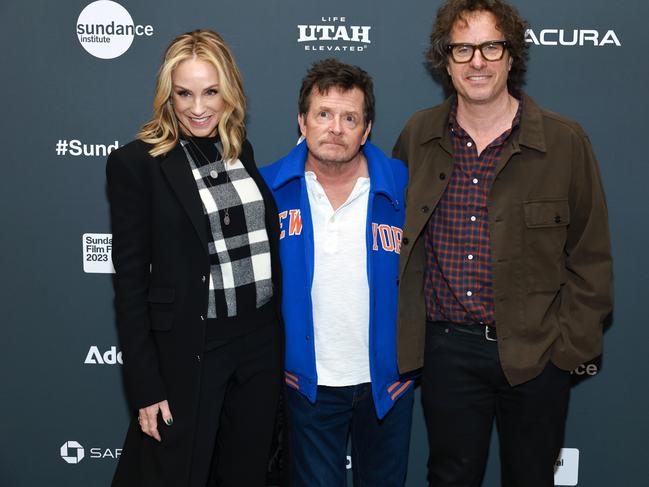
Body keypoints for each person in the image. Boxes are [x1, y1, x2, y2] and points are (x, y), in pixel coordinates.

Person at [393, 1, 613, 486]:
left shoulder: (564, 142)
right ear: (444, 60)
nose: (477, 61)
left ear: (512, 56)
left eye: (491, 46)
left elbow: (591, 259)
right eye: (463, 48)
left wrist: (566, 354)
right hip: (446, 351)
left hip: (537, 354)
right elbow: (394, 244)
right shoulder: (417, 137)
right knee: (449, 478)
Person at [107, 29, 283, 487]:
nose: (198, 107)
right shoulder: (137, 163)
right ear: (168, 95)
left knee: (244, 474)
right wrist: (145, 387)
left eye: (210, 92)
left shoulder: (238, 149)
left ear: (229, 92)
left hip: (259, 345)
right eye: (184, 93)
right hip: (193, 349)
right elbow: (129, 284)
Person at [261, 58, 414, 487]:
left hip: (387, 385)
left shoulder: (402, 185)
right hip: (306, 385)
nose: (335, 127)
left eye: (350, 118)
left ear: (366, 130)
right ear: (302, 122)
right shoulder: (268, 188)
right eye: (323, 114)